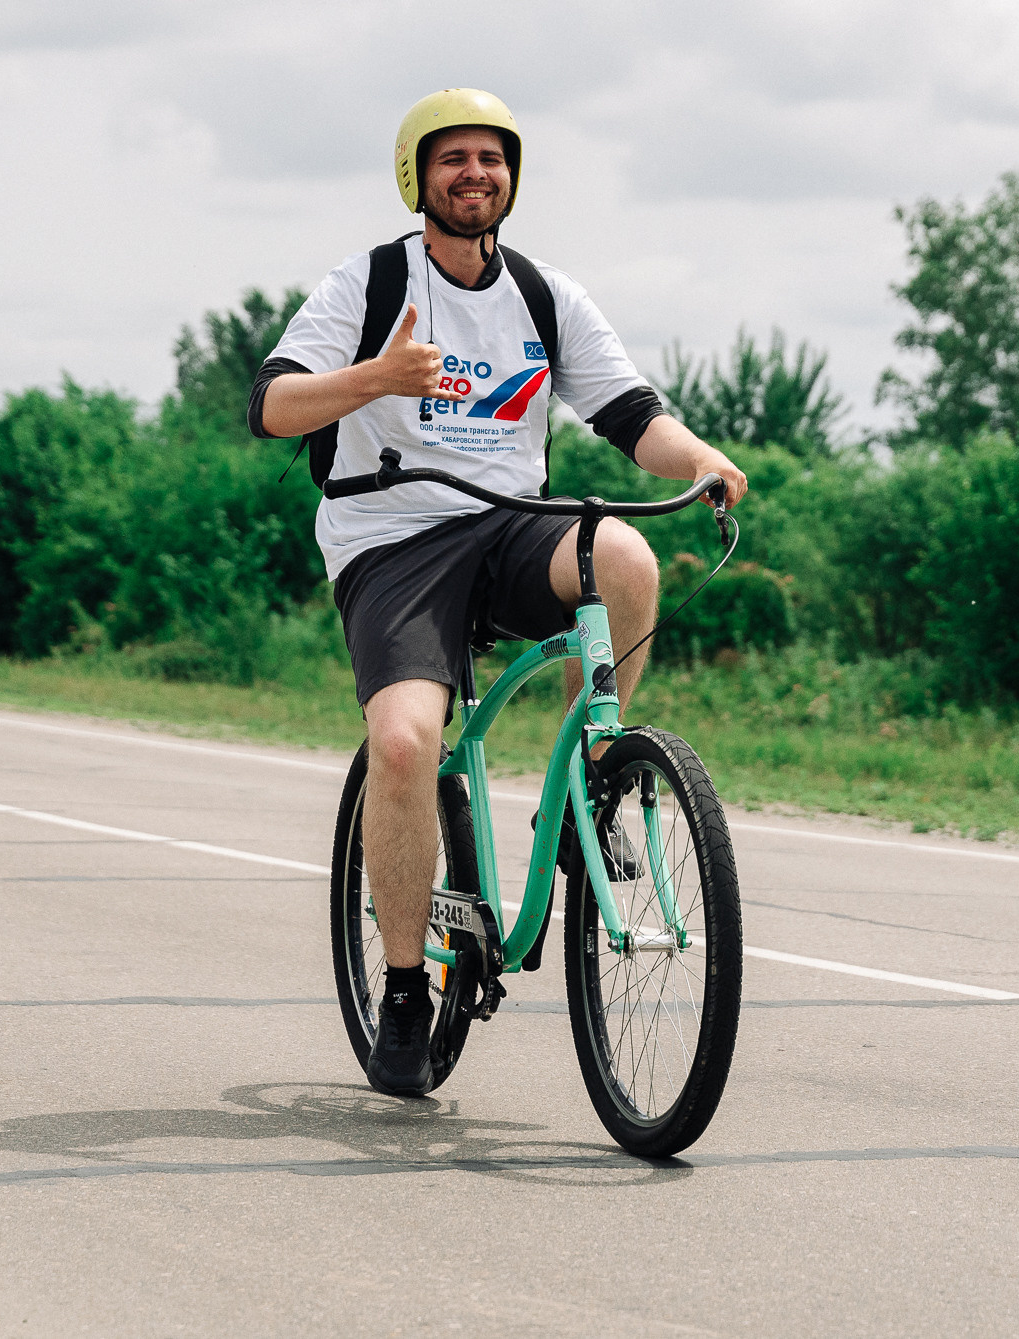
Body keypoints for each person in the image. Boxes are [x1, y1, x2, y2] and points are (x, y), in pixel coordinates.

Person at [250, 87, 748, 1097]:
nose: (474, 175)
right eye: (453, 160)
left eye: (491, 159)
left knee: (628, 561)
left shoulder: (541, 294)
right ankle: (401, 990)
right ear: (417, 177)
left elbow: (631, 414)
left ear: (510, 177)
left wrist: (699, 461)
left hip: (507, 528)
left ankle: (594, 782)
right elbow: (270, 405)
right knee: (402, 744)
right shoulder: (372, 281)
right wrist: (373, 380)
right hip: (392, 540)